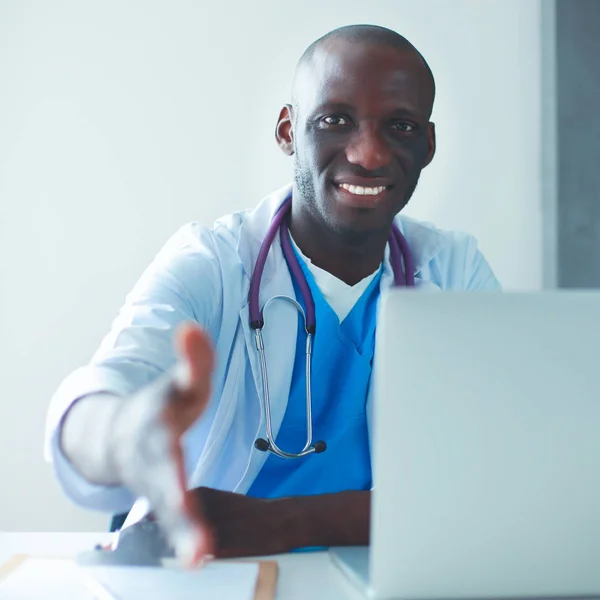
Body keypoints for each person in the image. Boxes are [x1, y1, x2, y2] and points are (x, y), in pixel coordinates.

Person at [45, 24, 500, 563]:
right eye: (335, 120)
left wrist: (286, 522)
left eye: (399, 126)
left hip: (381, 575)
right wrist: (122, 433)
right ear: (288, 131)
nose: (370, 153)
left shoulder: (454, 271)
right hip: (211, 574)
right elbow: (104, 391)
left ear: (426, 145)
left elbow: (488, 482)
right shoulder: (212, 262)